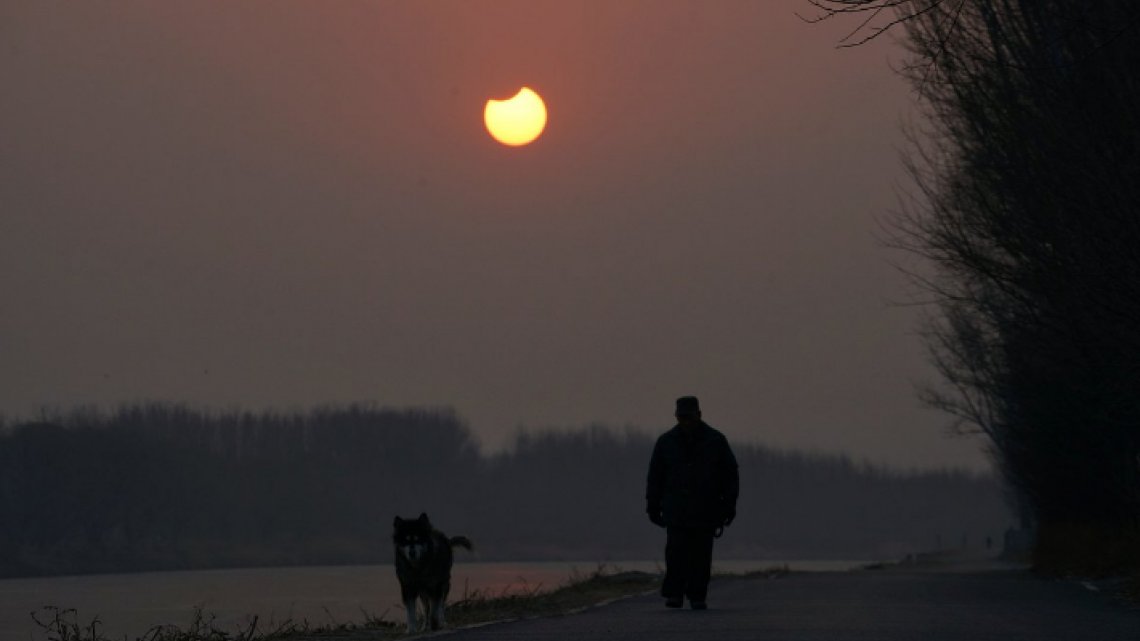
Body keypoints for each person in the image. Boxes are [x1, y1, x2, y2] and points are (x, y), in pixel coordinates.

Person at [645, 396, 739, 610]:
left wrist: (729, 505)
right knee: (675, 553)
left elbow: (729, 475)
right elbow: (655, 476)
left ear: (699, 415)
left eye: (689, 417)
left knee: (701, 554)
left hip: (706, 508)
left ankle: (697, 595)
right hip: (677, 508)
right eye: (682, 417)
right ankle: (675, 593)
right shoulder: (666, 442)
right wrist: (653, 505)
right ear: (677, 417)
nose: (686, 422)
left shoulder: (715, 441)